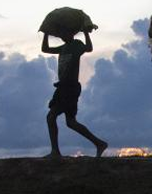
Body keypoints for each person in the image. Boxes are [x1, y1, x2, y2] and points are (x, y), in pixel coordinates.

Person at [41, 30, 107, 158]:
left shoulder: (76, 44)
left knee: (51, 116)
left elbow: (89, 48)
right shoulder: (63, 47)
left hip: (70, 89)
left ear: (71, 32)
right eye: (60, 34)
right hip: (62, 88)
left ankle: (55, 151)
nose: (61, 36)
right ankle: (99, 143)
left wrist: (86, 33)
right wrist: (46, 33)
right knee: (70, 122)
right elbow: (45, 49)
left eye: (64, 33)